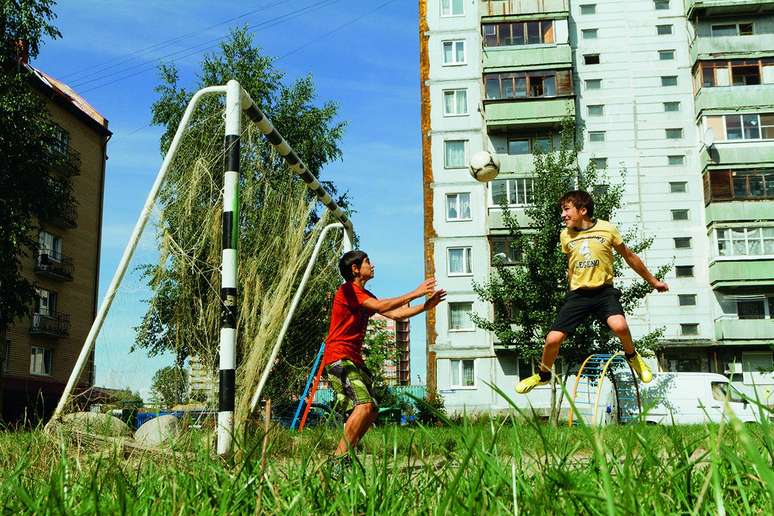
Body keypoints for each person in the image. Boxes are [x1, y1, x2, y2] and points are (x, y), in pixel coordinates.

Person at [515, 190, 669, 394]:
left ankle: (632, 356)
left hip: (604, 292)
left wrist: (653, 281)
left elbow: (629, 256)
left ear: (583, 210)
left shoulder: (607, 229)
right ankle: (543, 375)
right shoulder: (565, 235)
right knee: (552, 340)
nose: (563, 215)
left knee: (620, 326)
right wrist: (571, 288)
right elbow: (571, 266)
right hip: (578, 295)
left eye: (566, 209)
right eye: (562, 210)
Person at [324, 250, 445, 471]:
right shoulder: (347, 291)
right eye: (368, 262)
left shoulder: (365, 296)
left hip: (354, 360)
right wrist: (415, 293)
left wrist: (426, 306)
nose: (373, 265)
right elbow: (381, 307)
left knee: (371, 412)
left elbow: (396, 314)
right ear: (355, 269)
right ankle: (338, 460)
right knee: (364, 405)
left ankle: (345, 456)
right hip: (338, 358)